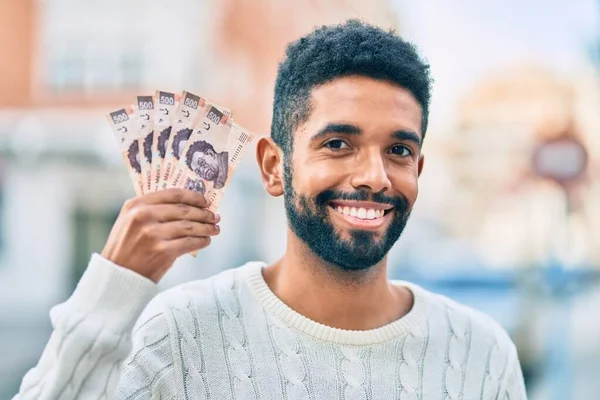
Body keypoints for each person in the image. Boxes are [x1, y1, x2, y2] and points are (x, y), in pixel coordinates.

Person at [14, 20, 527, 399]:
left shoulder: (480, 355)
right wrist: (112, 289)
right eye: (338, 144)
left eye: (399, 151)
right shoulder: (180, 333)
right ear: (272, 167)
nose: (375, 175)